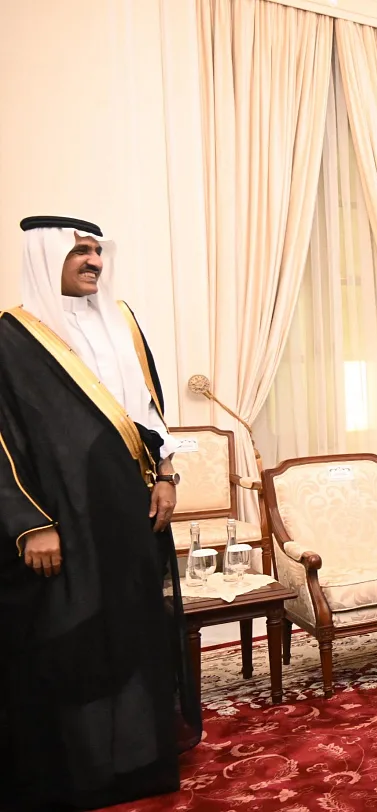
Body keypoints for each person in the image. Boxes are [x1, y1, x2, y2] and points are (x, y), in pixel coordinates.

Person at [0, 216, 201, 809]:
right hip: (61, 516)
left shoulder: (123, 321)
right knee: (75, 635)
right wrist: (30, 523)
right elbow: (2, 439)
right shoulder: (11, 338)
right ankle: (82, 770)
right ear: (45, 259)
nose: (93, 261)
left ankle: (138, 758)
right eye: (79, 252)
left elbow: (149, 411)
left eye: (96, 250)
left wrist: (166, 475)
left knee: (134, 628)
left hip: (130, 507)